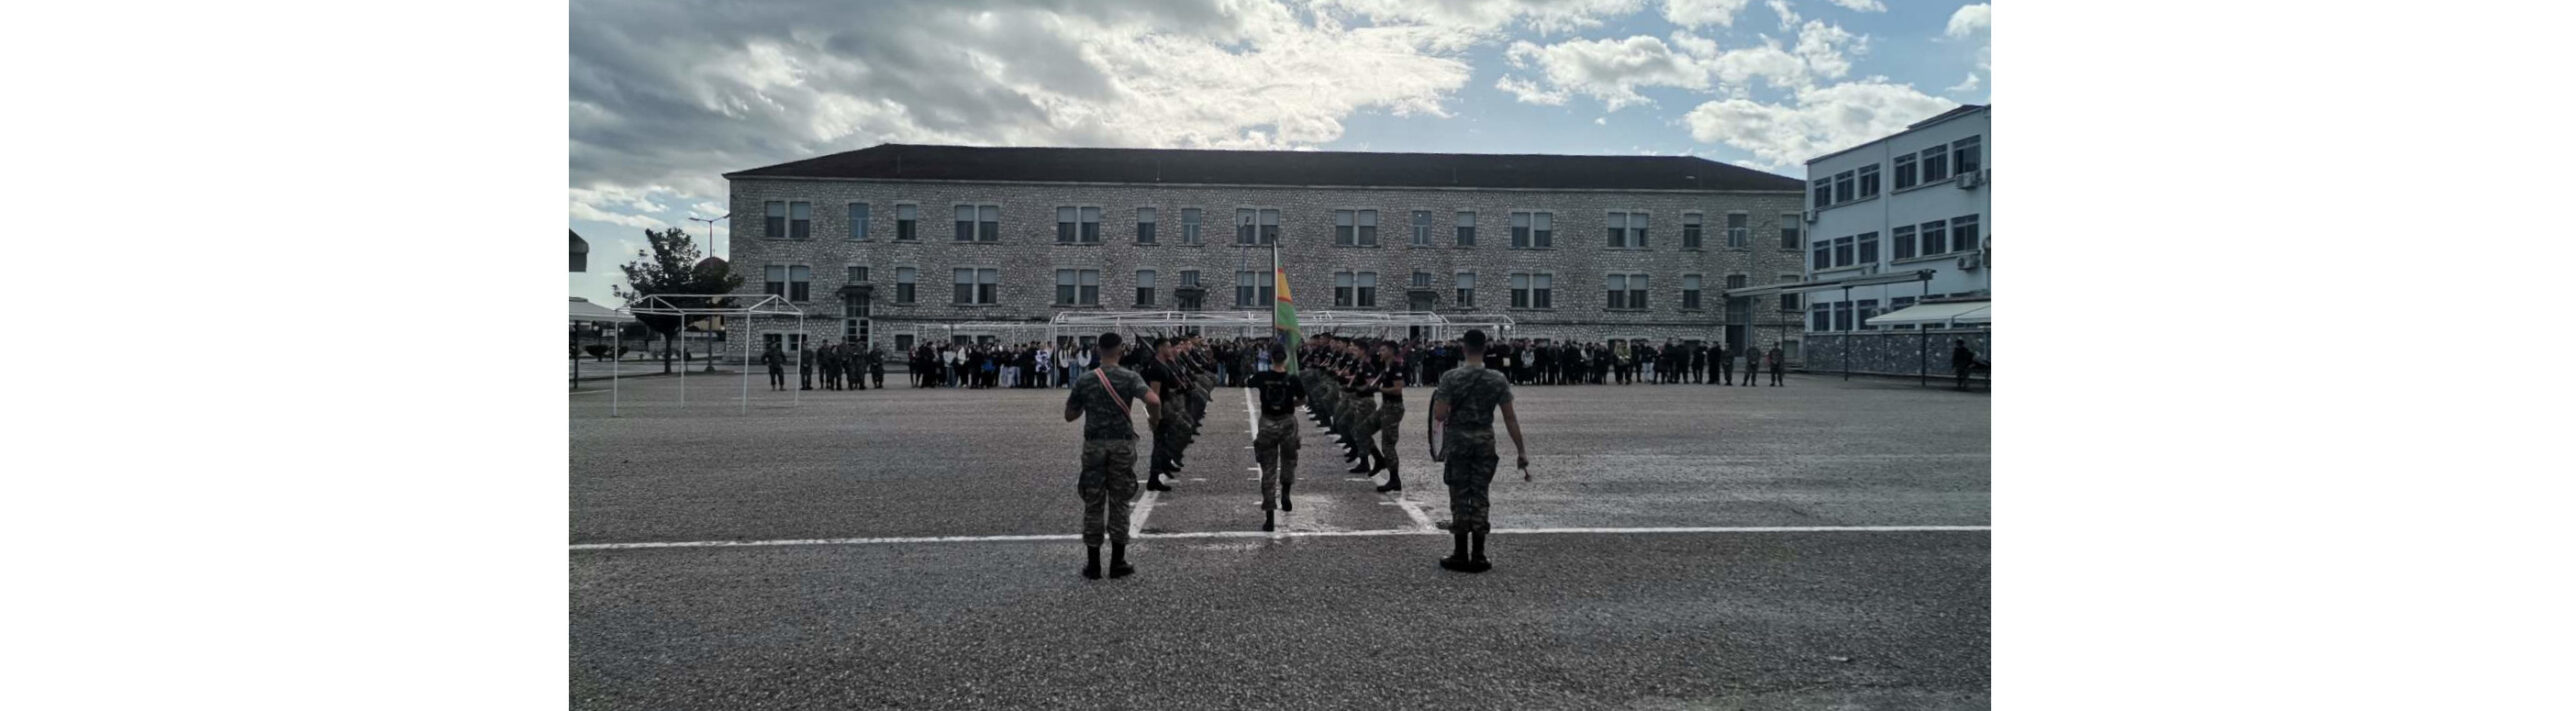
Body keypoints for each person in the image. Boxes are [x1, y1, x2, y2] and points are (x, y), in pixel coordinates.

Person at [1063, 332, 1159, 579]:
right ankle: (1118, 562)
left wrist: (1091, 405)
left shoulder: (1086, 380)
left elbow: (1070, 415)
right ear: (1120, 350)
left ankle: (1093, 564)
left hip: (1094, 446)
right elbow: (1153, 400)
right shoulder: (1129, 377)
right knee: (1119, 501)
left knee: (1093, 502)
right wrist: (1154, 422)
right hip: (1121, 446)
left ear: (1098, 350)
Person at [1433, 329, 1527, 574]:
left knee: (1459, 495)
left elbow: (1440, 415)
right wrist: (1521, 451)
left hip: (1458, 443)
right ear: (1485, 348)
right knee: (1480, 495)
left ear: (1463, 348)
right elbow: (1510, 418)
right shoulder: (1497, 379)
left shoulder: (1450, 378)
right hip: (1484, 440)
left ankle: (1460, 553)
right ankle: (1479, 555)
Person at [1244, 344, 1304, 532]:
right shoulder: (1293, 379)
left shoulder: (1263, 377)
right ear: (1285, 359)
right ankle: (1286, 493)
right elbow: (1303, 399)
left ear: (1270, 359)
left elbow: (1248, 382)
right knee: (1289, 460)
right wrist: (1289, 403)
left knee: (1268, 468)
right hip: (1287, 422)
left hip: (1267, 423)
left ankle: (1269, 517)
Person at [1140, 337, 1190, 492]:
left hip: (1166, 405)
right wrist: (1154, 416)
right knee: (1160, 443)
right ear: (1160, 348)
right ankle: (1154, 477)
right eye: (1168, 347)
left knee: (1165, 440)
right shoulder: (1157, 368)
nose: (1171, 349)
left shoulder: (1164, 365)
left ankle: (1162, 467)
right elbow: (1155, 394)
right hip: (1161, 409)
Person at [1372, 342, 1410, 493]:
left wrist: (1379, 388)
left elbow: (1397, 389)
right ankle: (1379, 460)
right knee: (1362, 429)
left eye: (1383, 350)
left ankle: (1394, 479)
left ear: (1391, 351)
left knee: (1388, 444)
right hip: (1385, 406)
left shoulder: (1395, 367)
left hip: (1393, 408)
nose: (1379, 352)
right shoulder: (1386, 367)